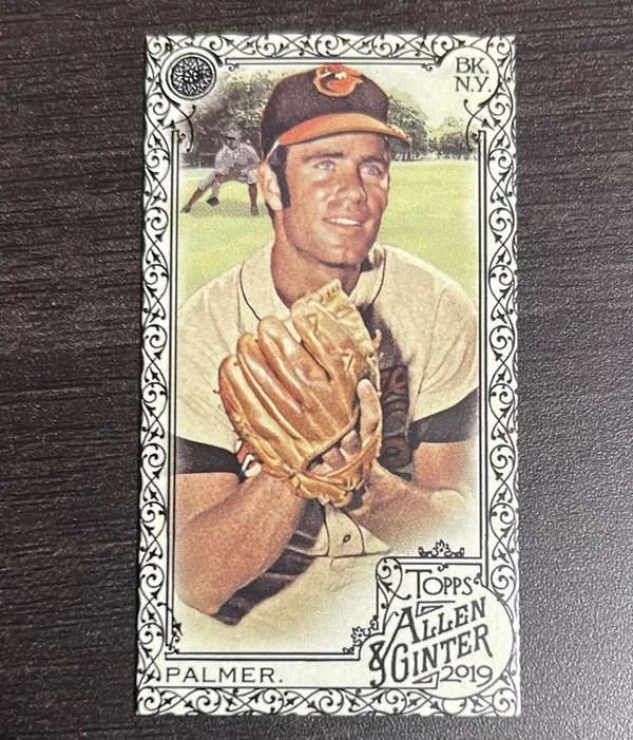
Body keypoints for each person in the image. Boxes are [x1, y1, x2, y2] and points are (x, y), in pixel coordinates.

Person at [174, 65, 479, 650]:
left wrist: (358, 481)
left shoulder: (438, 306)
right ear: (271, 184)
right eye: (324, 163)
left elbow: (459, 539)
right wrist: (298, 466)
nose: (355, 191)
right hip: (264, 622)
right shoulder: (203, 327)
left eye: (373, 167)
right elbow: (198, 581)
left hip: (409, 611)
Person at [181, 126, 260, 215]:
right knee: (206, 182)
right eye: (228, 138)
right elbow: (218, 173)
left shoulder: (247, 149)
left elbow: (257, 162)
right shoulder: (222, 153)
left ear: (239, 139)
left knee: (252, 176)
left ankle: (254, 206)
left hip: (242, 172)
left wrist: (247, 168)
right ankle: (189, 205)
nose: (230, 141)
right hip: (227, 172)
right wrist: (214, 193)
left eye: (232, 138)